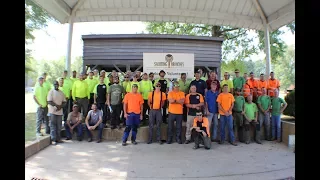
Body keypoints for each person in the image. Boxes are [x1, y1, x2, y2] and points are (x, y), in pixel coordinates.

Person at [47, 81, 67, 145]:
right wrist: (55, 106)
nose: (56, 85)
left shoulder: (61, 92)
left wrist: (60, 106)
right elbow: (49, 101)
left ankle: (58, 138)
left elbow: (64, 101)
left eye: (57, 84)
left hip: (60, 112)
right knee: (53, 125)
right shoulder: (51, 92)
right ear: (53, 85)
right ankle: (53, 139)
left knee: (59, 126)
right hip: (52, 111)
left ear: (58, 85)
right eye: (55, 84)